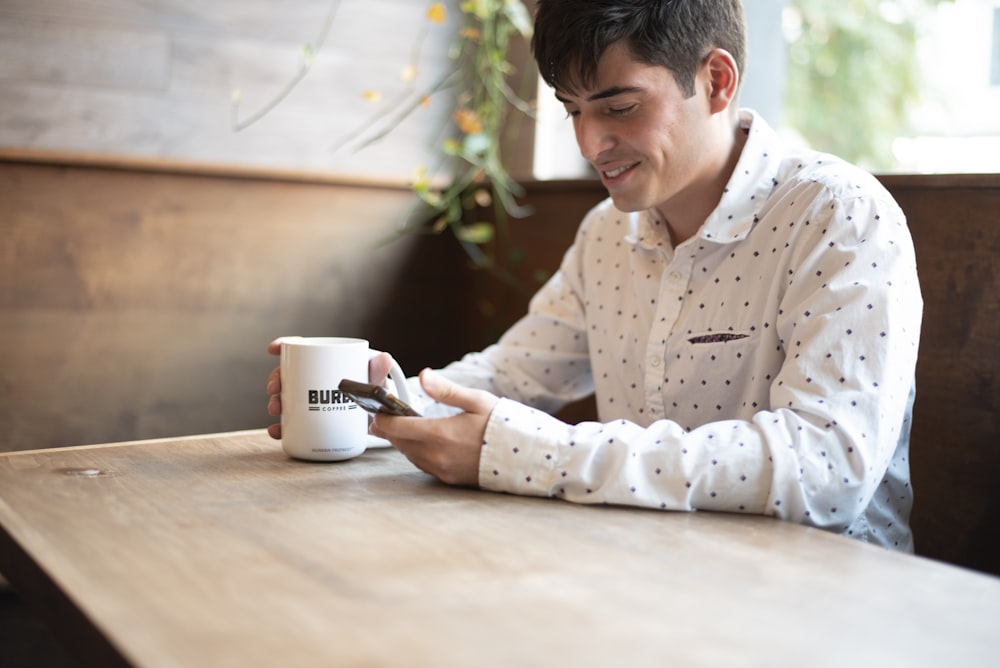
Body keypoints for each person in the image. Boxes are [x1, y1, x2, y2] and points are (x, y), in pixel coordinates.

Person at [266, 0, 922, 551]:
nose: (588, 143)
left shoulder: (839, 215)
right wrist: (367, 401)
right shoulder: (608, 233)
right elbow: (512, 376)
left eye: (618, 106)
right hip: (647, 573)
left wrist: (531, 455)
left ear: (717, 81)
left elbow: (829, 467)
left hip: (827, 602)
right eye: (573, 109)